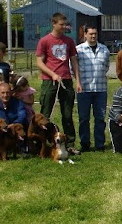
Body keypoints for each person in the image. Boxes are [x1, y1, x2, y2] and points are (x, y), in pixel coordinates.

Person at [35, 12, 82, 155]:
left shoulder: (69, 41)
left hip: (66, 81)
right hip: (49, 82)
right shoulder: (45, 41)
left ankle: (70, 144)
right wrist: (52, 74)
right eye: (61, 24)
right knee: (45, 115)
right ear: (54, 24)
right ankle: (41, 144)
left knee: (67, 115)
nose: (64, 27)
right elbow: (39, 62)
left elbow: (74, 61)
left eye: (65, 24)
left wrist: (77, 81)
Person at [76, 26, 111, 152]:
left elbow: (106, 66)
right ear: (85, 34)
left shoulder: (104, 50)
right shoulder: (78, 50)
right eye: (90, 34)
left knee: (100, 118)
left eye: (95, 34)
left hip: (100, 89)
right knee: (84, 118)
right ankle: (85, 143)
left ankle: (99, 143)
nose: (93, 36)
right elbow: (72, 68)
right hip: (84, 90)